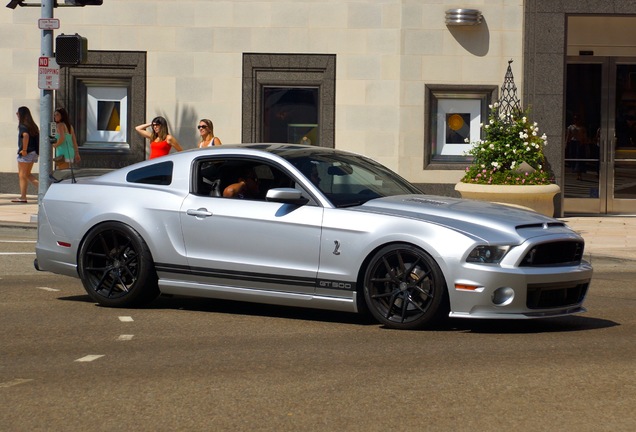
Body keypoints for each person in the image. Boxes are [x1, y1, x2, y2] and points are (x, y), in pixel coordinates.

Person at [14, 106, 39, 203]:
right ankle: (45, 189)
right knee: (27, 174)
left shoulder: (22, 126)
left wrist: (24, 150)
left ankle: (23, 197)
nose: (17, 114)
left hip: (26, 153)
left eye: (18, 113)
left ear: (22, 114)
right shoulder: (33, 125)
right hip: (33, 152)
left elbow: (25, 136)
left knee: (22, 175)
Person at [565, 114, 588, 180]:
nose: (576, 120)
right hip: (573, 143)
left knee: (579, 156)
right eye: (575, 119)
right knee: (573, 155)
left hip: (580, 143)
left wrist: (585, 142)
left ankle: (579, 172)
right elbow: (568, 136)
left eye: (577, 119)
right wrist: (566, 144)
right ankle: (574, 169)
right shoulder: (570, 127)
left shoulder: (582, 128)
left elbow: (584, 136)